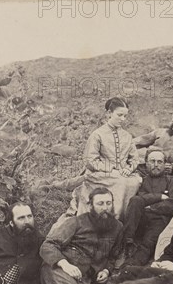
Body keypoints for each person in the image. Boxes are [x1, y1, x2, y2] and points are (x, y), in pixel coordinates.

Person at [54, 97, 141, 227]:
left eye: (125, 116)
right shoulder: (98, 134)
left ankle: (123, 222)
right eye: (119, 115)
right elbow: (90, 160)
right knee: (120, 182)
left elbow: (134, 158)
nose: (123, 119)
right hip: (100, 173)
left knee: (135, 181)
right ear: (109, 113)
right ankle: (112, 220)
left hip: (122, 174)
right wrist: (111, 168)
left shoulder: (127, 136)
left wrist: (129, 168)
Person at [120, 149, 173, 266]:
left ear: (164, 164)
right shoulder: (141, 181)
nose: (156, 165)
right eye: (152, 161)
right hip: (140, 219)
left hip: (159, 220)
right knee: (136, 200)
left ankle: (130, 267)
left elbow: (172, 204)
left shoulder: (171, 181)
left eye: (159, 162)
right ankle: (128, 242)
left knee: (148, 243)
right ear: (146, 163)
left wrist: (150, 206)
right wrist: (160, 196)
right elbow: (138, 198)